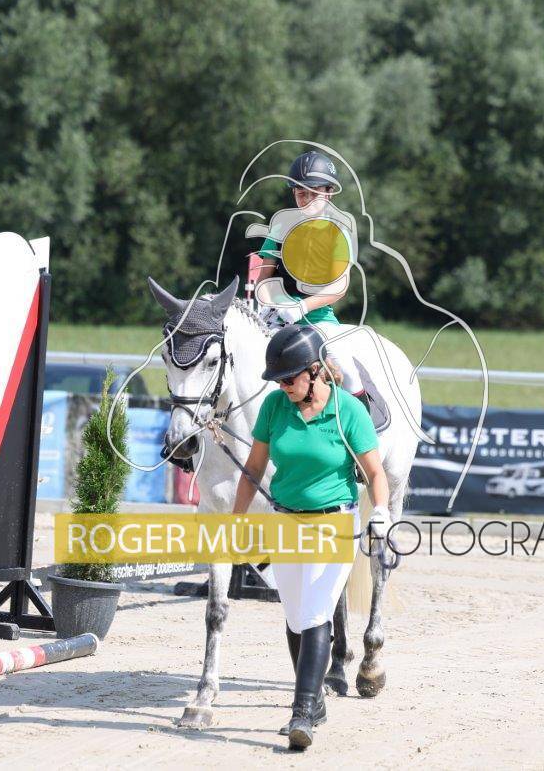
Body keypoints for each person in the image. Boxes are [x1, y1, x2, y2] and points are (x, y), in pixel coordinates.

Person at [231, 324, 391, 750]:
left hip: (333, 524)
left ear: (315, 370)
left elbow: (375, 473)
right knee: (295, 617)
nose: (283, 387)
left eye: (289, 379)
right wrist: (236, 519)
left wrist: (381, 512)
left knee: (317, 613)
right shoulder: (274, 407)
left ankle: (302, 711)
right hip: (284, 522)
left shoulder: (347, 411)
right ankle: (315, 698)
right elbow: (253, 469)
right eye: (279, 381)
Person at [254, 150, 367, 403]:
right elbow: (264, 279)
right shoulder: (279, 228)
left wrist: (301, 307)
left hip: (318, 319)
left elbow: (339, 287)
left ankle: (362, 420)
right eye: (300, 193)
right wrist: (274, 304)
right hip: (277, 319)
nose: (306, 200)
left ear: (328, 193)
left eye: (313, 193)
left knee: (347, 371)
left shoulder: (339, 233)